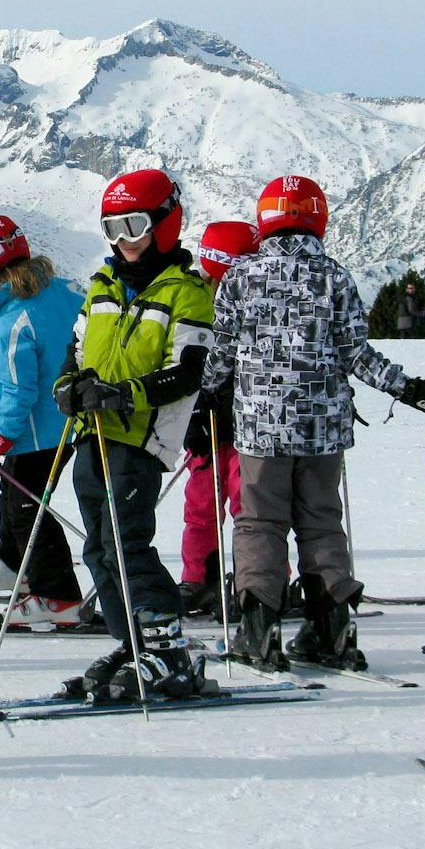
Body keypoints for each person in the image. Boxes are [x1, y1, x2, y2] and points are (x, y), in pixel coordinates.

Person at [205, 177, 425, 670]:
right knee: (320, 521)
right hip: (322, 429)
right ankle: (331, 628)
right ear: (319, 219)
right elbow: (357, 354)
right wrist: (408, 388)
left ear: (264, 219)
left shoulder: (239, 278)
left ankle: (259, 630)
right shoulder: (335, 276)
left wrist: (204, 394)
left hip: (261, 428)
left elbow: (221, 355)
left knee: (260, 521)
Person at [51, 168, 213, 701]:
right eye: (112, 229)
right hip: (92, 434)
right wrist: (68, 387)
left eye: (135, 226)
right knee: (99, 549)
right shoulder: (101, 286)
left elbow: (188, 371)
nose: (124, 240)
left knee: (126, 543)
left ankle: (168, 651)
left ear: (166, 225)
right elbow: (76, 351)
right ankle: (134, 644)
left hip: (141, 439)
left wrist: (123, 395)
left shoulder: (186, 293)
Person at [0, 215, 86, 628]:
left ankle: (59, 596)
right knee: (13, 497)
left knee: (27, 507)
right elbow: (44, 358)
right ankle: (16, 566)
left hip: (36, 430)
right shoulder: (62, 290)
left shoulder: (13, 315)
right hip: (69, 419)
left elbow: (20, 388)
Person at [176, 220, 257, 618]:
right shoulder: (194, 299)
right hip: (206, 422)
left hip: (244, 423)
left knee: (248, 506)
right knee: (203, 503)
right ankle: (200, 579)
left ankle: (256, 582)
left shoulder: (258, 298)